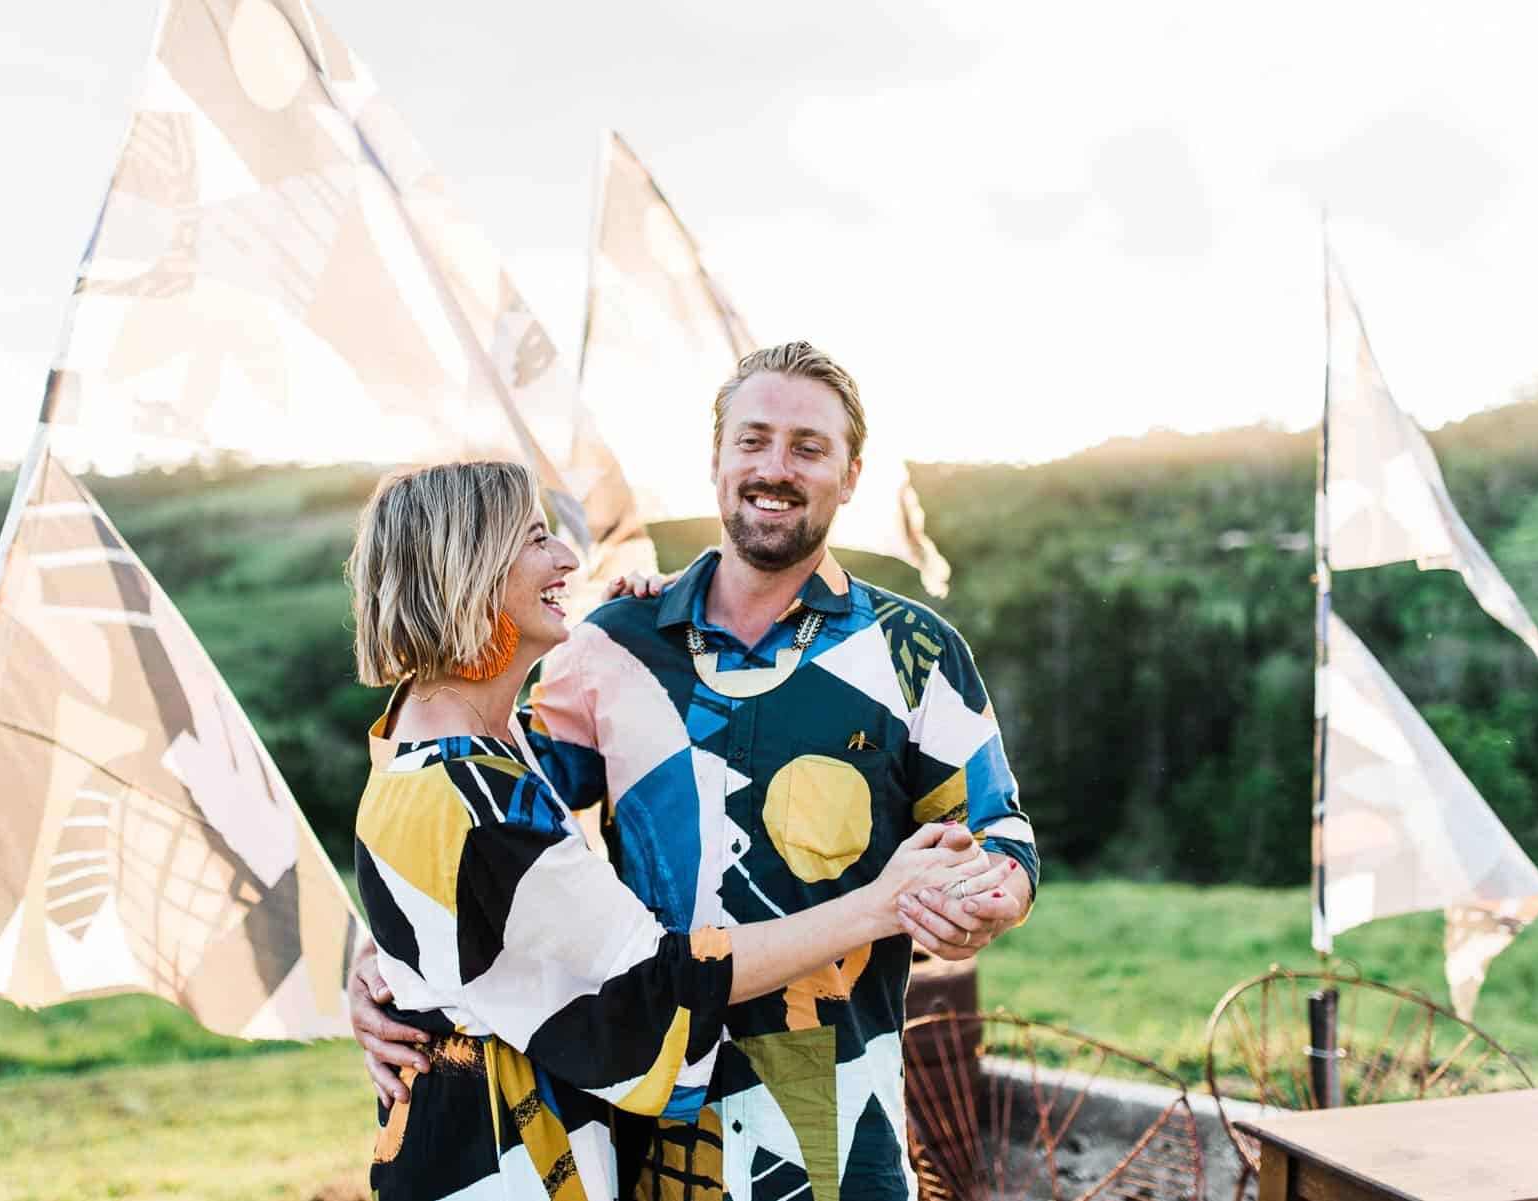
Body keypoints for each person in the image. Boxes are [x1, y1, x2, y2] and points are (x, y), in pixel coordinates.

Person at [356, 343, 1039, 1201]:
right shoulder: (608, 644)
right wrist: (385, 962)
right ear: (714, 457)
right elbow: (478, 832)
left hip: (837, 1136)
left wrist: (983, 899)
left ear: (851, 473)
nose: (775, 468)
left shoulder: (916, 653)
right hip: (642, 1140)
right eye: (753, 440)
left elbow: (1001, 837)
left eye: (808, 446)